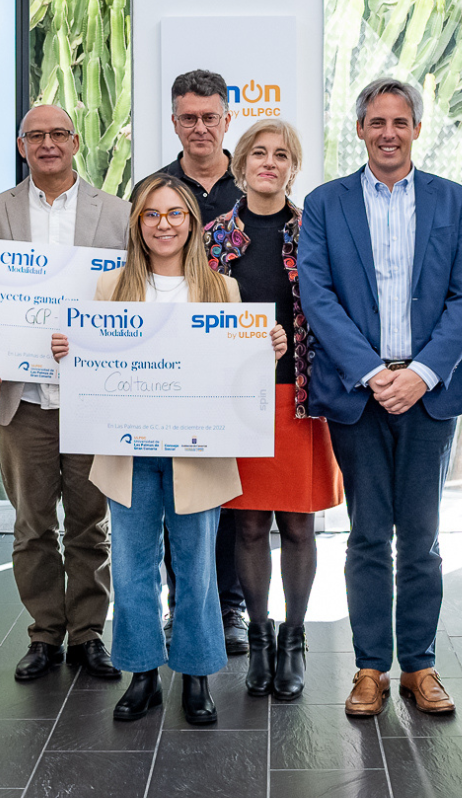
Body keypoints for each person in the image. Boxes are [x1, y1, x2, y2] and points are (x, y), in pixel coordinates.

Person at [50, 174, 288, 726]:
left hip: (197, 452)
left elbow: (238, 369)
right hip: (127, 450)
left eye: (174, 214)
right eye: (152, 215)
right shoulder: (109, 290)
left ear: (191, 223)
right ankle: (142, 676)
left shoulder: (221, 290)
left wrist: (267, 345)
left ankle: (198, 675)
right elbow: (91, 365)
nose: (163, 224)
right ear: (138, 223)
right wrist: (68, 349)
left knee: (196, 567)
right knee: (133, 567)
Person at [296, 77, 462, 718]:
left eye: (400, 122)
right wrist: (373, 372)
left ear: (416, 130)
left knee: (423, 538)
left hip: (429, 392)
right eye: (376, 122)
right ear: (360, 130)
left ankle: (421, 666)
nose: (388, 132)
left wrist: (423, 371)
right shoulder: (325, 203)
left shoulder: (453, 201)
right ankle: (371, 668)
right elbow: (317, 295)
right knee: (369, 536)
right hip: (360, 392)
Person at [0, 104, 131, 684]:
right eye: (36, 135)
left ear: (75, 142)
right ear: (22, 145)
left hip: (94, 398)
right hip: (24, 400)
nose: (48, 144)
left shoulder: (117, 215)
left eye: (59, 134)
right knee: (31, 524)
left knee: (92, 525)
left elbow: (132, 297)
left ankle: (89, 634)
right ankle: (44, 634)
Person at [206, 118, 341, 700]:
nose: (269, 162)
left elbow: (338, 308)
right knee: (250, 522)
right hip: (236, 399)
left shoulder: (316, 230)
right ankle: (258, 640)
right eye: (258, 153)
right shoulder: (212, 237)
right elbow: (195, 314)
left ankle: (295, 639)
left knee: (299, 523)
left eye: (281, 154)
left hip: (302, 396)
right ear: (240, 165)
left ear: (294, 165)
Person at [153, 68, 248, 653]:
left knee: (232, 497)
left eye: (210, 116)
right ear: (174, 122)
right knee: (177, 498)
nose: (200, 127)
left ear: (226, 119)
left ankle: (230, 610)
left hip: (241, 367)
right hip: (168, 370)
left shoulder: (254, 180)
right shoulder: (156, 189)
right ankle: (181, 607)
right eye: (188, 117)